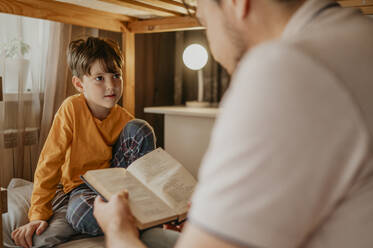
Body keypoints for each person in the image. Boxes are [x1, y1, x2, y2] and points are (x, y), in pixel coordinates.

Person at [93, 0, 373, 247]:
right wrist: (220, 222)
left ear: (237, 3)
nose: (213, 47)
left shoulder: (284, 68)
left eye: (204, 20)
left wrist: (118, 231)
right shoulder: (357, 36)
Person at [10, 37, 157, 248]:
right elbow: (49, 163)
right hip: (82, 187)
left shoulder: (125, 119)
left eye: (116, 76)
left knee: (139, 128)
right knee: (78, 215)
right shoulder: (71, 109)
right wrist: (38, 214)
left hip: (117, 185)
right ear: (79, 84)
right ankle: (129, 221)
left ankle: (145, 210)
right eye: (99, 78)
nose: (110, 85)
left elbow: (141, 166)